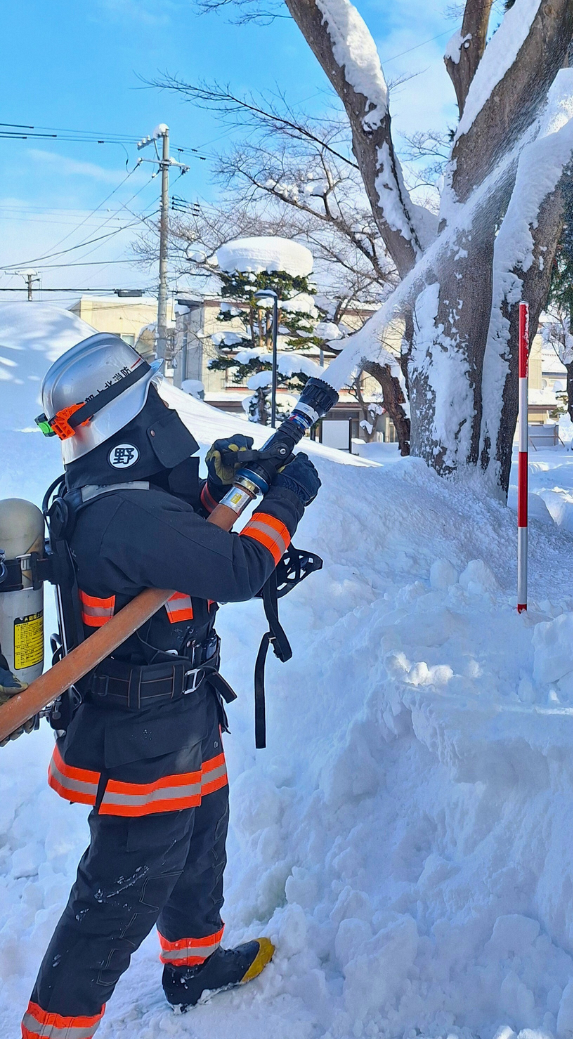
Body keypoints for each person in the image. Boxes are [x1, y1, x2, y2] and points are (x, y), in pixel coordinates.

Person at [12, 333, 321, 1037]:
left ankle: (193, 965)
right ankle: (51, 1030)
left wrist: (220, 481)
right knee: (115, 901)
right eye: (150, 396)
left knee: (200, 845)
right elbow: (238, 566)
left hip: (178, 719)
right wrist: (290, 495)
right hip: (142, 743)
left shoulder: (116, 492)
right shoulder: (125, 514)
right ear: (126, 411)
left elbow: (181, 534)